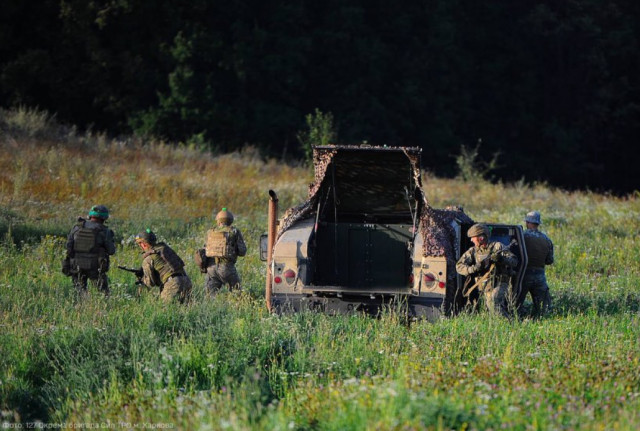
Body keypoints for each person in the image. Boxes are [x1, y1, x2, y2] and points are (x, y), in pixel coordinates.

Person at [456, 223, 518, 316]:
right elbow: (459, 266)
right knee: (490, 308)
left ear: (481, 238)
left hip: (500, 281)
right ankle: (500, 326)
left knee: (493, 303)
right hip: (484, 285)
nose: (471, 240)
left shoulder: (497, 247)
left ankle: (508, 324)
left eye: (473, 237)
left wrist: (501, 259)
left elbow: (514, 261)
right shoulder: (473, 251)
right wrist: (474, 268)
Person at [63, 204, 116, 298]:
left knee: (80, 293)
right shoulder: (104, 231)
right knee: (104, 294)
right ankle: (104, 309)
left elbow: (68, 247)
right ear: (104, 218)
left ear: (90, 215)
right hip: (95, 267)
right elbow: (111, 250)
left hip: (76, 265)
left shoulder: (77, 227)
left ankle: (82, 308)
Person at [135, 229, 192, 304]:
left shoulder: (148, 259)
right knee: (185, 310)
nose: (140, 246)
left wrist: (142, 279)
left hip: (172, 284)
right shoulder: (165, 249)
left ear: (144, 244)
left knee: (165, 312)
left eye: (140, 244)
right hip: (186, 280)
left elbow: (150, 283)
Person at [202, 207, 247, 296]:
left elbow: (205, 249)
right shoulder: (233, 231)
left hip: (211, 268)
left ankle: (211, 309)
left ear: (218, 220)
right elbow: (242, 251)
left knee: (210, 296)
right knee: (236, 293)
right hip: (226, 267)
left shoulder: (211, 232)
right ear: (230, 221)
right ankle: (237, 308)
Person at [522, 211, 554, 316]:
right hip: (540, 276)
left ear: (527, 222)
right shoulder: (546, 239)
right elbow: (549, 260)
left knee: (515, 303)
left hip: (524, 275)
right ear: (538, 223)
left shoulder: (522, 236)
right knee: (544, 307)